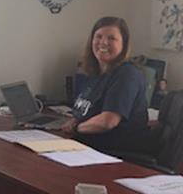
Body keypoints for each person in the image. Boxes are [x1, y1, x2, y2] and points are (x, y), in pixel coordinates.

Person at [62, 16, 150, 154]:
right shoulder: (96, 74)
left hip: (113, 155)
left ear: (124, 44)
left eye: (111, 38)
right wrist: (73, 121)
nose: (103, 42)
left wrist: (76, 127)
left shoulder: (127, 75)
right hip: (86, 147)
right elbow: (85, 111)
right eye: (98, 36)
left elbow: (108, 122)